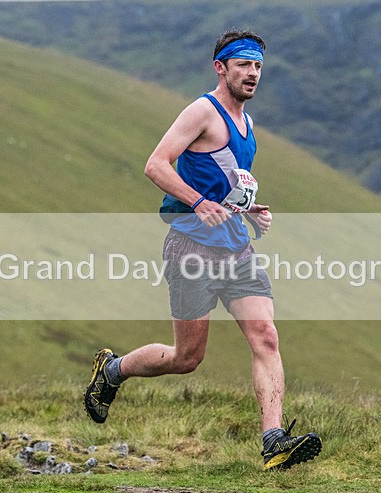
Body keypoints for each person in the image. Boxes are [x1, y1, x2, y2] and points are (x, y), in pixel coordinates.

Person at [84, 29, 321, 470]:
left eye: (257, 66)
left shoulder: (248, 125)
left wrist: (249, 212)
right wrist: (196, 202)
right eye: (243, 65)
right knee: (186, 358)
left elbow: (226, 185)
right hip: (190, 249)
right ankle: (113, 370)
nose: (252, 73)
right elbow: (156, 164)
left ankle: (273, 441)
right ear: (221, 68)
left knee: (266, 336)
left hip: (237, 250)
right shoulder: (202, 111)